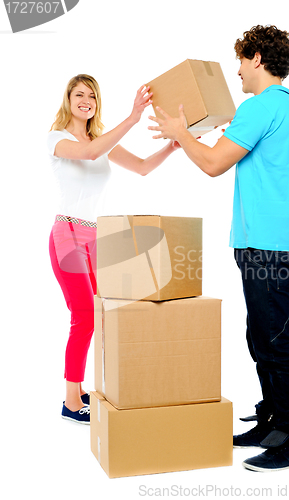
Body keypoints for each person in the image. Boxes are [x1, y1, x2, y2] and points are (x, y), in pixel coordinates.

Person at [148, 25, 289, 472]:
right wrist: (186, 137)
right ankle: (272, 420)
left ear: (257, 58)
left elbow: (214, 164)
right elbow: (216, 155)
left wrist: (182, 133)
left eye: (241, 60)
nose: (237, 70)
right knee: (260, 334)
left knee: (274, 340)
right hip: (269, 242)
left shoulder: (259, 107)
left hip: (265, 245)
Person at [48, 74, 179, 425]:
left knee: (97, 316)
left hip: (95, 237)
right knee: (84, 316)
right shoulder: (57, 138)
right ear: (68, 100)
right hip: (67, 233)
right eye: (79, 94)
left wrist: (171, 146)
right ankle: (71, 402)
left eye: (92, 95)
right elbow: (89, 153)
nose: (86, 100)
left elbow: (141, 168)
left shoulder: (100, 139)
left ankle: (77, 393)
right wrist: (133, 117)